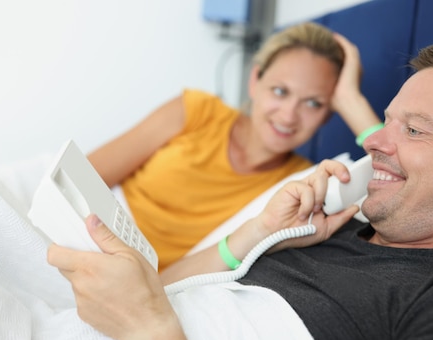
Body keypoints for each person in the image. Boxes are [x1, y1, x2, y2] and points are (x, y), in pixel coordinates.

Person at [47, 38, 433, 340]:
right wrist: (260, 232)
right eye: (386, 122)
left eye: (414, 130)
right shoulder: (324, 226)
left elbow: (145, 314)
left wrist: (150, 332)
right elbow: (151, 294)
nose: (373, 143)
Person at [86, 21, 381, 271]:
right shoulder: (196, 111)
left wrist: (352, 103)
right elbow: (85, 177)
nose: (289, 115)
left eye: (313, 103)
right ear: (255, 80)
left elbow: (395, 183)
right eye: (280, 91)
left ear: (329, 114)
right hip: (89, 235)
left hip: (147, 280)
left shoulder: (302, 187)